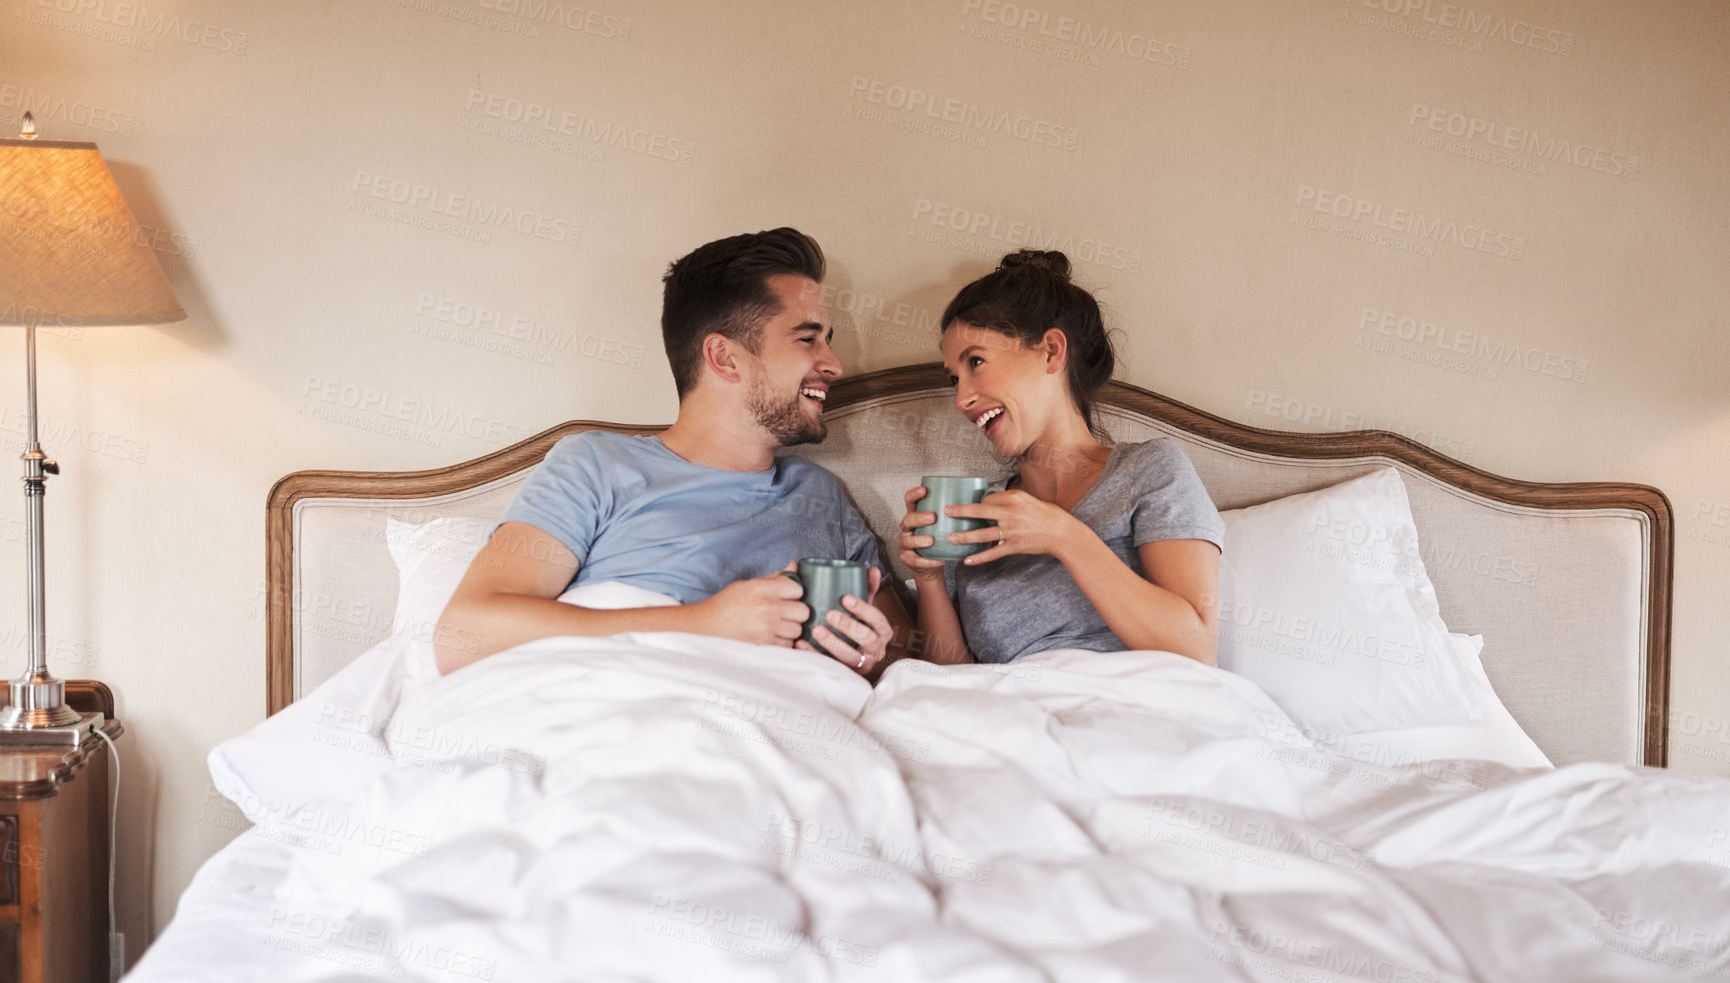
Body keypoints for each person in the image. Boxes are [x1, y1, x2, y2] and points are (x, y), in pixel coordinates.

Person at [436, 228, 912, 677]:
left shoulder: (820, 495)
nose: (834, 365)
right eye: (808, 339)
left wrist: (872, 659)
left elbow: (912, 667)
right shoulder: (596, 465)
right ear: (724, 357)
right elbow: (465, 635)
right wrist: (705, 623)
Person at [896, 249, 1222, 666]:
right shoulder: (977, 516)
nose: (962, 399)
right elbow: (953, 682)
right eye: (954, 379)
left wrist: (1063, 536)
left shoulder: (1149, 471)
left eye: (976, 361)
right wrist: (929, 579)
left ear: (1051, 351)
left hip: (1138, 709)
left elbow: (1196, 651)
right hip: (1012, 719)